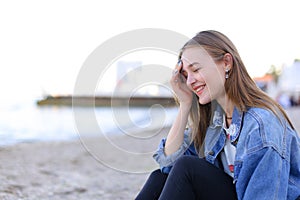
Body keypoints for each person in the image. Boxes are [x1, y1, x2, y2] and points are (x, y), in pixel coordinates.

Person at [136, 30, 300, 200]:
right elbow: (168, 165)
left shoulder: (261, 127)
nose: (190, 81)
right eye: (185, 75)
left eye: (196, 70)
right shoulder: (216, 122)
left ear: (227, 62)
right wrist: (185, 104)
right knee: (159, 178)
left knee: (187, 168)